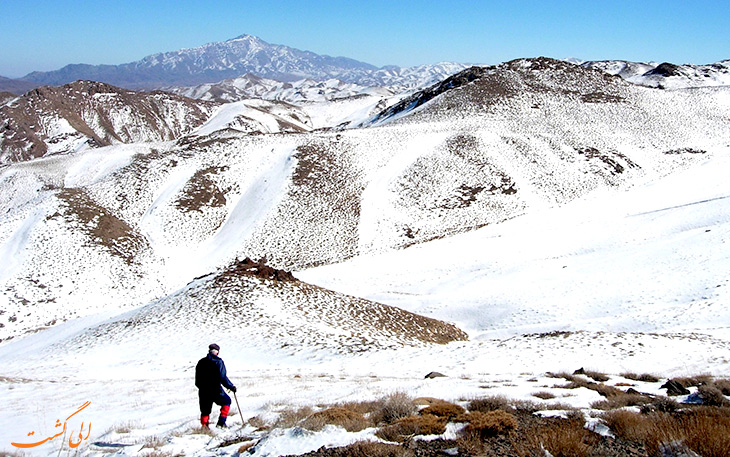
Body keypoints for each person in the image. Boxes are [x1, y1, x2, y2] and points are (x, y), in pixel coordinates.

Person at [195, 343, 237, 428]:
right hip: (215, 389)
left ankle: (204, 428)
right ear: (217, 352)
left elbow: (197, 380)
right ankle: (221, 422)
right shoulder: (218, 362)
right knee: (227, 401)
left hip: (203, 390)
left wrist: (202, 387)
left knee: (205, 410)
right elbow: (222, 377)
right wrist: (230, 386)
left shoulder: (201, 362)